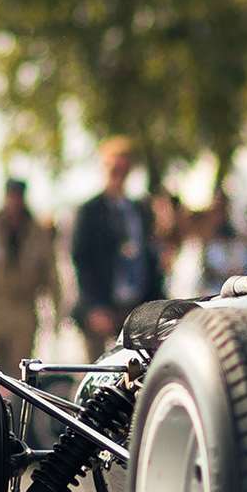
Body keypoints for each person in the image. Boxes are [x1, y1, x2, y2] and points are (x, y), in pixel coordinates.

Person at [70, 138, 164, 349]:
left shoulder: (139, 210)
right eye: (114, 169)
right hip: (100, 309)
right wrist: (94, 306)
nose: (118, 175)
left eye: (123, 170)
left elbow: (150, 257)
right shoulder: (90, 211)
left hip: (134, 308)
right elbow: (81, 259)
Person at [0, 179, 61, 369]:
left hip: (23, 310)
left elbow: (51, 276)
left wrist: (57, 314)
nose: (14, 202)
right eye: (11, 196)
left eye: (18, 197)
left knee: (19, 370)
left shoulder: (36, 233)